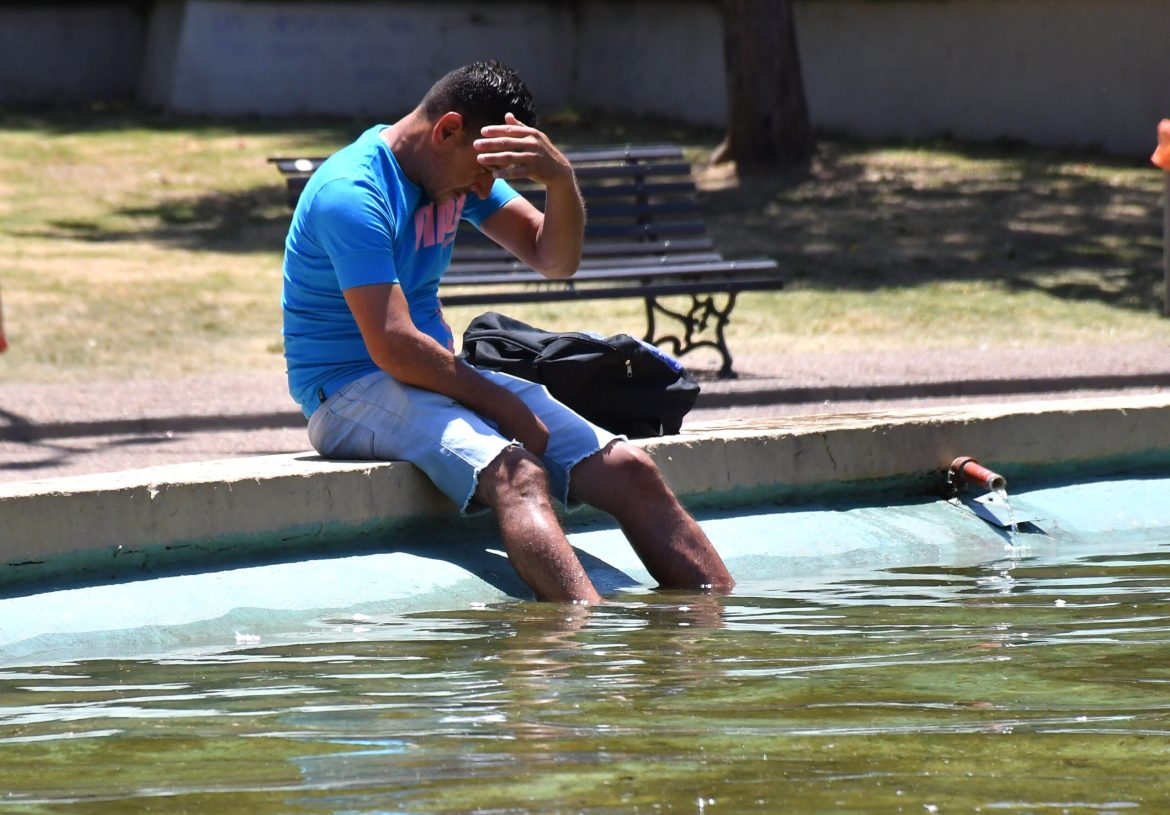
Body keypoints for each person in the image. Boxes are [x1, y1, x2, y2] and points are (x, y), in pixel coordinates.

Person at [281, 61, 733, 603]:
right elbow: (393, 344)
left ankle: (720, 629)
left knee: (631, 470)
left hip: (430, 379)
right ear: (447, 130)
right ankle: (582, 647)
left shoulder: (455, 171)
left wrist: (560, 180)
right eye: (483, 171)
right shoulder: (351, 192)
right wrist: (508, 408)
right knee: (518, 473)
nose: (485, 186)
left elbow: (554, 257)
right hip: (348, 392)